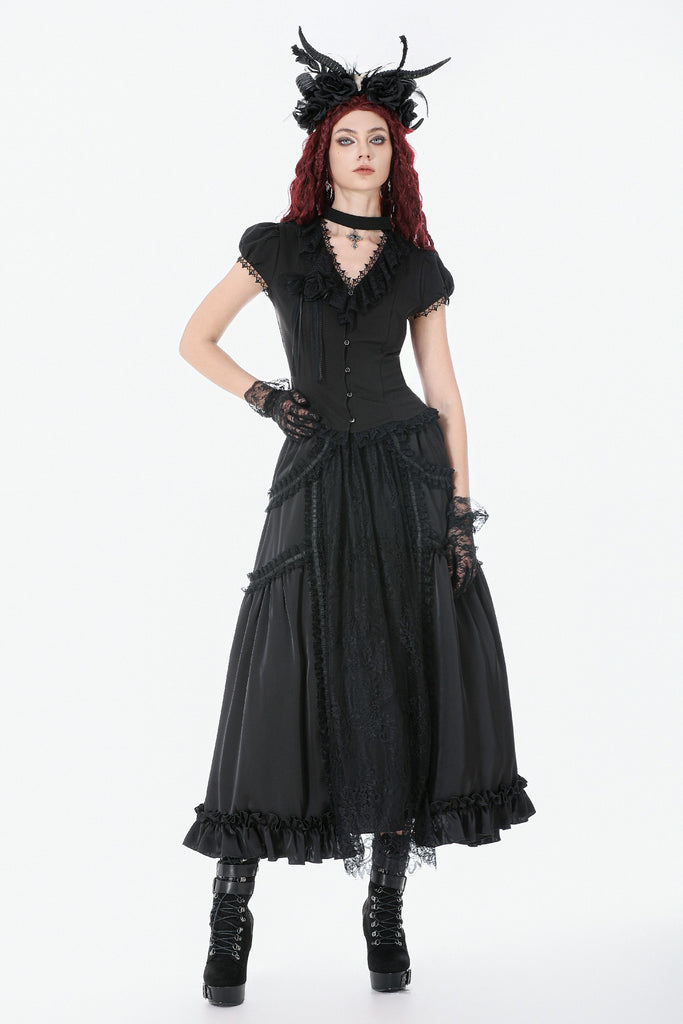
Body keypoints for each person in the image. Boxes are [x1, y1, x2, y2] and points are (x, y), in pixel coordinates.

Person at [179, 26, 536, 1007]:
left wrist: (457, 512)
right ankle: (230, 908)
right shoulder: (276, 247)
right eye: (347, 138)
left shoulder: (417, 265)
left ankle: (384, 909)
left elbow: (445, 394)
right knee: (280, 674)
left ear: (395, 153)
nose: (363, 152)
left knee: (396, 674)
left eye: (377, 138)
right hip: (311, 477)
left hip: (404, 478)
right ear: (321, 151)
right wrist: (263, 397)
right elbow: (195, 338)